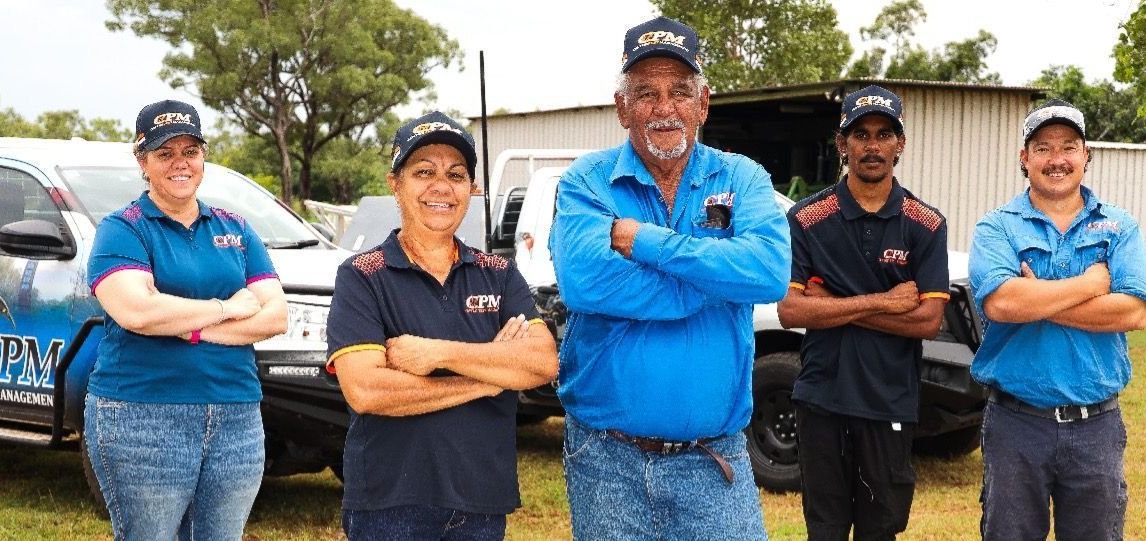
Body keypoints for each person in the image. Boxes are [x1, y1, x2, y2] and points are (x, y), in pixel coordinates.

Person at [548, 16, 790, 540]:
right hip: (605, 459)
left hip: (715, 459)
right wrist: (714, 281)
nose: (664, 108)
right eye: (646, 93)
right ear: (622, 108)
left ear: (703, 104)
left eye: (680, 91)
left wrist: (645, 243)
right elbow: (587, 283)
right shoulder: (586, 182)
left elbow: (769, 272)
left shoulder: (742, 176)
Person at [325, 111, 558, 541]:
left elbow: (542, 363)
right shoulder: (362, 275)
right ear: (395, 183)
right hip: (389, 504)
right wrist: (491, 377)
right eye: (424, 172)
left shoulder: (499, 274)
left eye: (455, 174)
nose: (441, 186)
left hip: (481, 503)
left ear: (471, 188)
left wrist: (437, 353)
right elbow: (367, 390)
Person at [85, 99, 289, 540]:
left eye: (190, 151)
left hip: (236, 415)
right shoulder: (123, 228)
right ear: (142, 161)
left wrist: (189, 327)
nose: (180, 163)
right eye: (165, 153)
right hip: (142, 416)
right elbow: (138, 311)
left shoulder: (235, 228)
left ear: (203, 157)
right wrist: (226, 308)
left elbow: (275, 316)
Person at [969, 99, 1146, 540]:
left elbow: (1134, 311)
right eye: (1043, 148)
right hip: (1015, 424)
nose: (1057, 159)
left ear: (1086, 154)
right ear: (1025, 158)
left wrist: (1038, 297)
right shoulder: (997, 227)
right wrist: (1091, 284)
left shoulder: (1119, 227)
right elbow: (1002, 304)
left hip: (1097, 428)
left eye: (1069, 147)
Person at [776, 85, 950, 540]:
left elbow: (928, 321)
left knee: (880, 530)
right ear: (842, 143)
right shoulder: (806, 218)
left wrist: (829, 304)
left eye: (884, 134)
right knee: (825, 530)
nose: (872, 146)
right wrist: (882, 301)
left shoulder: (926, 223)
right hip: (822, 399)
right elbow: (791, 311)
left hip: (888, 400)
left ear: (900, 144)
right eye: (861, 135)